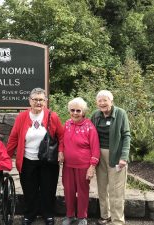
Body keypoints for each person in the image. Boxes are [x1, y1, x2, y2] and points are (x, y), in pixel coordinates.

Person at [7, 88, 64, 225]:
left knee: (48, 189)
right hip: (27, 160)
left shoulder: (52, 116)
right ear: (30, 101)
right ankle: (29, 214)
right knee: (29, 189)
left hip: (48, 160)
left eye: (41, 100)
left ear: (45, 101)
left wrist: (61, 151)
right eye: (35, 99)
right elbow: (14, 138)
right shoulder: (22, 117)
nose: (38, 102)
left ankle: (48, 214)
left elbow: (61, 136)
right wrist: (6, 157)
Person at [90, 90, 131, 225]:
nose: (102, 103)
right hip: (98, 156)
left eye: (105, 100)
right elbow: (89, 135)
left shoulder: (120, 113)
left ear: (111, 101)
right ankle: (105, 215)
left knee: (116, 190)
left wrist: (124, 156)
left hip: (116, 156)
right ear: (97, 103)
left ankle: (118, 220)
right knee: (102, 188)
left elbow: (126, 135)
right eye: (100, 101)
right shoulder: (95, 116)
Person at [61, 97, 100, 225]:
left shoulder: (89, 127)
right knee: (68, 191)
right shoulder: (67, 124)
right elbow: (61, 141)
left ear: (83, 112)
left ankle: (82, 217)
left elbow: (95, 149)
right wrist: (60, 152)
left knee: (83, 192)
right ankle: (70, 215)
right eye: (72, 110)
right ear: (69, 111)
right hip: (67, 165)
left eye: (78, 110)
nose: (75, 113)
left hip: (83, 166)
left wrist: (92, 167)